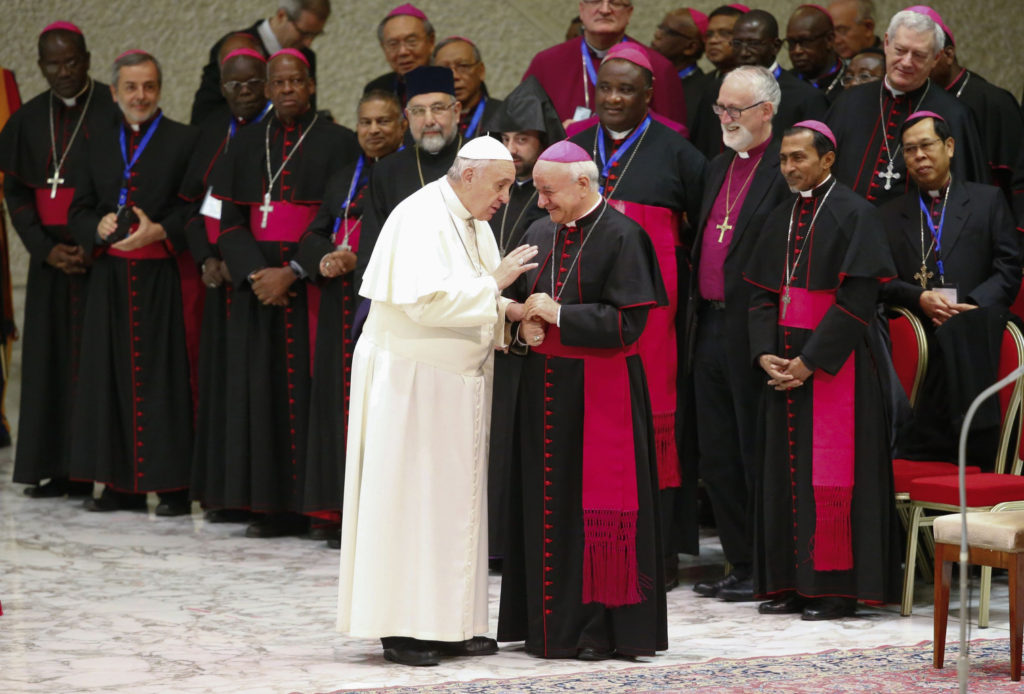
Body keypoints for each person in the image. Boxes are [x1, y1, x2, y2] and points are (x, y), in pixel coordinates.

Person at [337, 137, 536, 667]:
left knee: (453, 507)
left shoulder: (473, 221)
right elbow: (424, 302)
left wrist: (511, 312)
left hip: (457, 387)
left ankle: (449, 624)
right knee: (408, 505)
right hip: (412, 382)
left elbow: (479, 297)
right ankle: (401, 629)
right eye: (498, 186)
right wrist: (495, 284)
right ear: (468, 175)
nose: (504, 199)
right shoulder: (419, 216)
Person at [497, 140, 668, 659]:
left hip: (600, 395)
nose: (540, 202)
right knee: (545, 506)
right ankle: (546, 627)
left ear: (583, 184)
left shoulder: (624, 236)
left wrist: (560, 316)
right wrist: (525, 324)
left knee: (590, 513)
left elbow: (629, 323)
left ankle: (599, 631)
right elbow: (527, 307)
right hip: (542, 393)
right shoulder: (538, 231)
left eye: (548, 192)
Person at [745, 121, 901, 620]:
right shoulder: (782, 215)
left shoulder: (857, 214)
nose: (789, 168)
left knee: (832, 476)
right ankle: (794, 581)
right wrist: (764, 352)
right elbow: (762, 295)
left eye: (799, 158)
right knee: (786, 476)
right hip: (784, 367)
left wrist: (811, 361)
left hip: (839, 368)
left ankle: (835, 589)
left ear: (828, 159)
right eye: (784, 159)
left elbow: (857, 300)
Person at [568, 42, 707, 589]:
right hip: (582, 306)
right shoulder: (573, 149)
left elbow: (698, 232)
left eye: (627, 89)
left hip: (655, 317)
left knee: (654, 423)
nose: (615, 99)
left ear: (648, 95)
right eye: (606, 88)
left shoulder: (680, 155)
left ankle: (660, 551)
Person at [212, 49, 359, 538]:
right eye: (279, 83)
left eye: (297, 81)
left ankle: (316, 508)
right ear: (269, 88)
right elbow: (229, 223)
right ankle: (270, 506)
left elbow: (334, 219)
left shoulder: (338, 143)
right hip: (258, 294)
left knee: (313, 396)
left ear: (311, 85)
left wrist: (292, 272)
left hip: (314, 289)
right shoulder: (246, 143)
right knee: (263, 394)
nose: (288, 89)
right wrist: (258, 274)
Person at [68, 50, 199, 514]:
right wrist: (95, 227)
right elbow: (77, 208)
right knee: (110, 377)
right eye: (130, 87)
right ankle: (120, 486)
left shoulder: (185, 140)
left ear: (159, 89)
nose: (139, 96)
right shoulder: (95, 140)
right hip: (110, 279)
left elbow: (195, 209)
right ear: (114, 91)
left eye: (148, 87)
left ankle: (173, 488)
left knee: (163, 381)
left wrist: (161, 230)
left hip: (162, 277)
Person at [685, 66, 790, 603]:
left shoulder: (784, 168)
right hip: (711, 325)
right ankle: (739, 561)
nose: (724, 118)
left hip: (756, 329)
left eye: (735, 110)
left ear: (766, 111)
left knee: (755, 449)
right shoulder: (717, 165)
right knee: (719, 452)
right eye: (720, 109)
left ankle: (768, 566)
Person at [0, 22, 115, 497]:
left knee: (96, 368)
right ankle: (54, 470)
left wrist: (90, 242)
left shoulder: (110, 107)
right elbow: (17, 192)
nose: (64, 72)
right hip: (50, 261)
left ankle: (97, 472)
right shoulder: (26, 119)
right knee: (48, 367)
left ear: (87, 58)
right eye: (54, 64)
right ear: (40, 65)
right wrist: (46, 250)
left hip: (100, 259)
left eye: (72, 62)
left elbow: (126, 180)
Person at [879, 112, 1020, 467]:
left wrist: (973, 304)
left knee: (968, 334)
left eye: (926, 145)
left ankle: (977, 455)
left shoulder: (987, 201)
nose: (919, 156)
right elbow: (881, 279)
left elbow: (1008, 266)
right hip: (919, 326)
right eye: (910, 150)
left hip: (976, 325)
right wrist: (919, 298)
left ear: (950, 147)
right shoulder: (888, 214)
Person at [304, 89, 407, 549]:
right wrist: (323, 256)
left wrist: (357, 263)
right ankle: (337, 509)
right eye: (365, 122)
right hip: (337, 304)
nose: (373, 131)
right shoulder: (343, 176)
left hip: (384, 304)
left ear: (402, 126)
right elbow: (315, 231)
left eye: (383, 121)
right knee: (336, 405)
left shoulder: (410, 176)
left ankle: (381, 515)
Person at [179, 47, 273, 522]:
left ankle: (257, 498)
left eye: (253, 83)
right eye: (234, 84)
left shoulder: (279, 135)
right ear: (221, 88)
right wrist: (205, 256)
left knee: (258, 390)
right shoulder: (213, 132)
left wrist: (237, 263)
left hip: (258, 280)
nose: (243, 93)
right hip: (218, 279)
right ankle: (224, 495)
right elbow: (193, 208)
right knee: (222, 388)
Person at [482, 76, 565, 567]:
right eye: (505, 139)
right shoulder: (484, 197)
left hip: (529, 342)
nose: (512, 151)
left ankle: (514, 543)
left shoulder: (550, 204)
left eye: (523, 141)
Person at [824, 8, 986, 206]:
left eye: (918, 55)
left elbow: (967, 200)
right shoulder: (848, 102)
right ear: (886, 44)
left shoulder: (955, 114)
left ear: (935, 58)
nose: (907, 62)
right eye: (900, 51)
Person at [355, 66, 464, 285]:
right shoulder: (386, 172)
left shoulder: (481, 161)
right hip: (406, 294)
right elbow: (371, 253)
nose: (429, 119)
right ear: (407, 116)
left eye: (438, 108)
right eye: (418, 111)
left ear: (457, 111)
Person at [522, 0, 687, 129]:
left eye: (615, 2)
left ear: (629, 13)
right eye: (595, 1)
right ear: (581, 10)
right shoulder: (546, 62)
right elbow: (524, 126)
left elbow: (672, 138)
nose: (605, 10)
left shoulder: (659, 67)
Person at [693, 9, 830, 161]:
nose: (744, 52)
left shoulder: (806, 98)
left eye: (753, 44)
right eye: (737, 44)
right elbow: (703, 149)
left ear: (775, 46)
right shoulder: (715, 90)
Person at [923, 7, 1023, 200]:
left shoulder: (994, 102)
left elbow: (1013, 178)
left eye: (922, 55)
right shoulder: (914, 98)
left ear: (948, 55)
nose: (911, 64)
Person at [189, 0, 329, 125]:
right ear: (281, 15)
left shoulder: (306, 56)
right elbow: (207, 111)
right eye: (303, 33)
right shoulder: (235, 47)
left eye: (315, 35)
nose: (308, 43)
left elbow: (306, 110)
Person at [431, 37, 502, 140]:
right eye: (444, 70)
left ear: (481, 71)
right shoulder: (427, 120)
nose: (454, 76)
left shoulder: (503, 115)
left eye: (463, 66)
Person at [650, 8, 708, 133]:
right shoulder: (650, 78)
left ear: (690, 47)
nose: (657, 34)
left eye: (668, 31)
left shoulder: (703, 93)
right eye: (660, 27)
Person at [363, 3, 435, 104]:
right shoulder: (377, 90)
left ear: (431, 42)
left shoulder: (452, 82)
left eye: (411, 41)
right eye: (393, 44)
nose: (403, 52)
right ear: (383, 48)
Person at [785, 5, 845, 101]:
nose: (797, 51)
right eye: (791, 43)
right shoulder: (782, 84)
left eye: (805, 41)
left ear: (829, 40)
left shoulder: (849, 83)